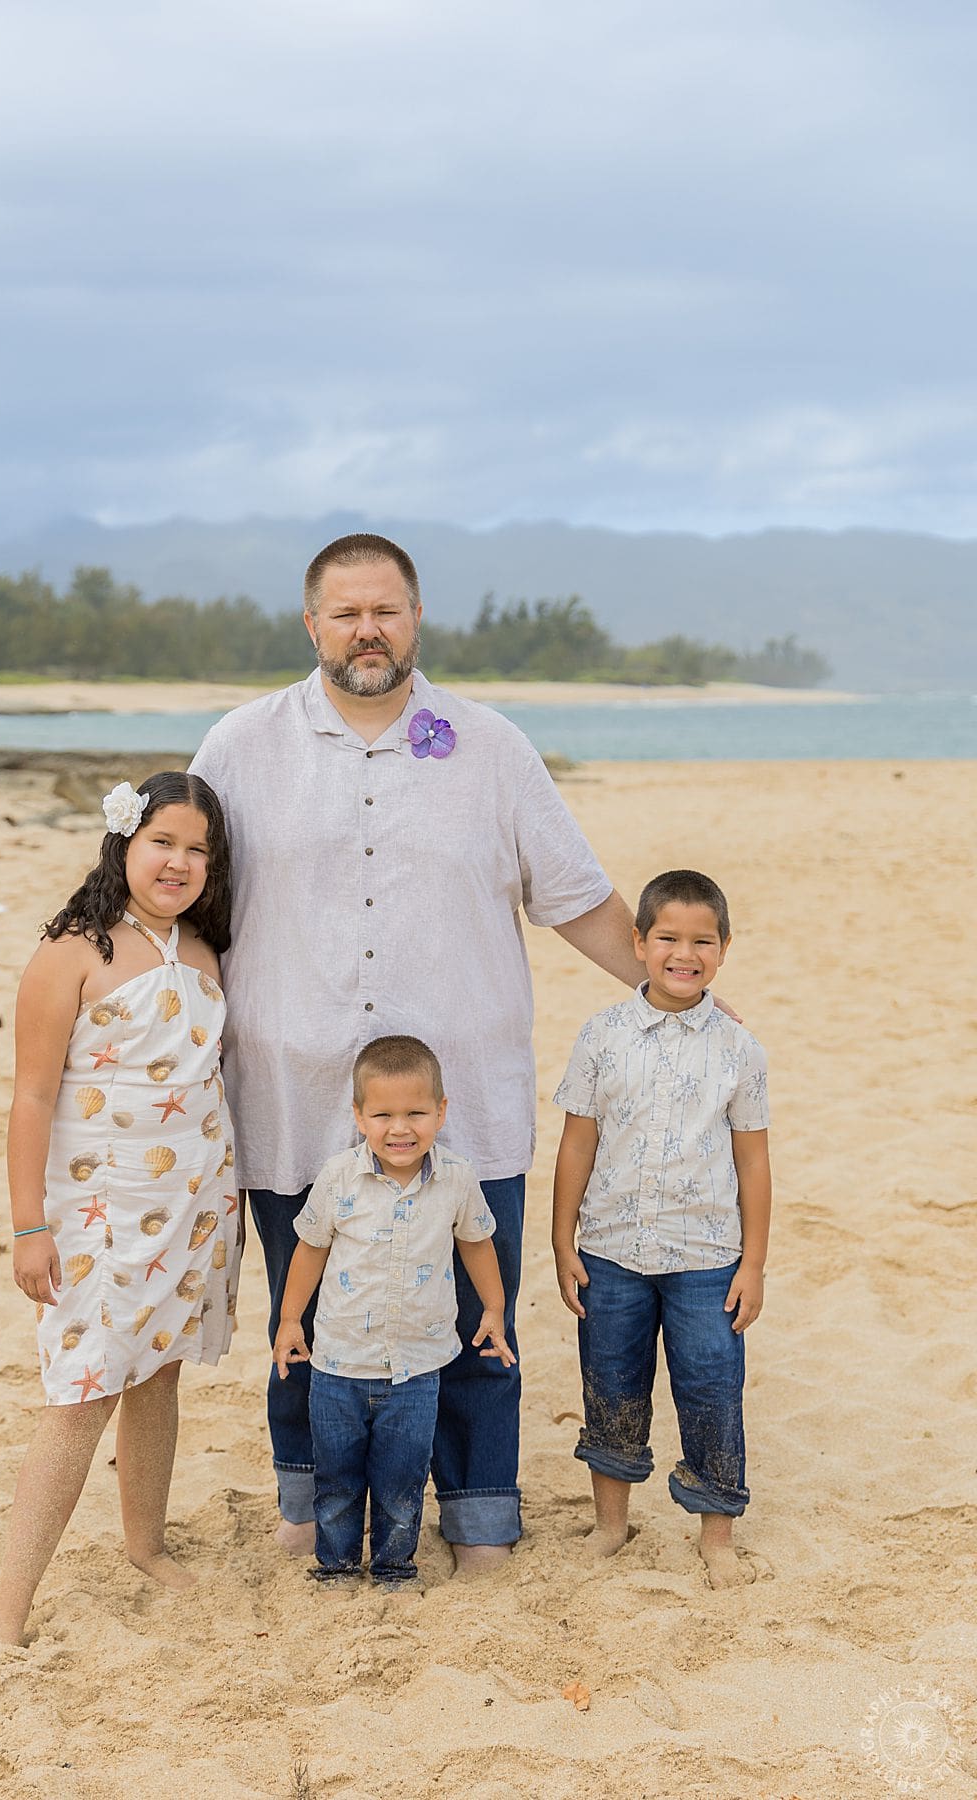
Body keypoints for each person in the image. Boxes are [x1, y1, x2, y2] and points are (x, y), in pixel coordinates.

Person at [189, 531, 646, 1570]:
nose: (366, 630)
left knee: (480, 1322)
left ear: (417, 617)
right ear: (311, 624)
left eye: (385, 609)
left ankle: (479, 1516)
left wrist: (669, 990)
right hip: (299, 1102)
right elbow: (181, 899)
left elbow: (576, 897)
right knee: (305, 1319)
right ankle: (314, 1510)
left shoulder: (489, 747)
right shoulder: (239, 746)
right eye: (345, 612)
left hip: (462, 1106)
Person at [0, 772, 242, 1645]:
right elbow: (28, 1098)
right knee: (82, 1390)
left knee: (158, 1371)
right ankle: (6, 1614)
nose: (179, 862)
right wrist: (28, 1227)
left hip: (193, 1204)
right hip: (100, 1210)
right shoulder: (73, 952)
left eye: (198, 849)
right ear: (124, 844)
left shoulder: (205, 952)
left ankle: (145, 1543)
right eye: (162, 842)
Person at [551, 868, 771, 1589]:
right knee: (612, 1382)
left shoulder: (738, 1049)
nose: (686, 953)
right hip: (610, 1250)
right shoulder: (602, 1036)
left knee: (712, 1386)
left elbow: (753, 1159)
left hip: (708, 1256)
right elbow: (577, 1142)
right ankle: (612, 1524)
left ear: (724, 949)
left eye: (703, 941)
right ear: (639, 944)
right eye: (668, 938)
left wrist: (754, 1264)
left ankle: (717, 1534)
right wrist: (562, 1240)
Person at [274, 1036, 515, 1587]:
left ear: (442, 1112)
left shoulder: (456, 1177)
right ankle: (333, 1567)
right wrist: (291, 1319)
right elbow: (309, 1248)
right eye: (382, 1114)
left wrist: (495, 1307)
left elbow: (478, 1242)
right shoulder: (338, 1177)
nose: (399, 1129)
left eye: (416, 1113)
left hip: (418, 1365)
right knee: (336, 1480)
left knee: (401, 1480)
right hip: (338, 1365)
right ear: (358, 1115)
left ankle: (394, 1567)